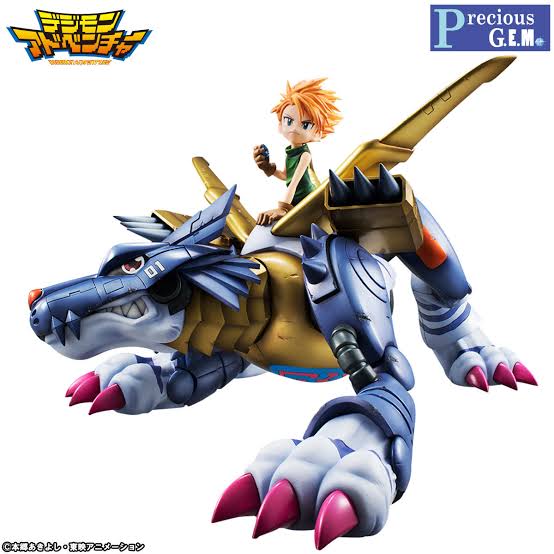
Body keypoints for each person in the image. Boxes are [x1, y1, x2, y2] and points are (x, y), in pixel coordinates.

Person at [254, 78, 341, 225]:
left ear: (317, 133)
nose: (294, 128)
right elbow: (286, 176)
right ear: (280, 125)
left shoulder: (305, 155)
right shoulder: (290, 152)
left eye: (305, 125)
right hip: (295, 201)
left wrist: (283, 208)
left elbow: (294, 183)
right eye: (289, 121)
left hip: (308, 201)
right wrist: (268, 168)